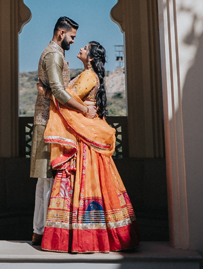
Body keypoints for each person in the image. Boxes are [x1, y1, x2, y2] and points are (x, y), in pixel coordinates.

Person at [41, 41, 139, 253]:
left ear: (92, 58)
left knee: (83, 182)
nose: (81, 49)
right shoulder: (88, 75)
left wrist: (47, 93)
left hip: (84, 140)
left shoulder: (88, 76)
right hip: (86, 133)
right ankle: (98, 235)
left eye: (85, 48)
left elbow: (68, 99)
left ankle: (84, 238)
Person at [30, 17, 96, 246]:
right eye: (72, 36)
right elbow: (58, 90)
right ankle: (43, 231)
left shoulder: (58, 54)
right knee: (47, 180)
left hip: (55, 122)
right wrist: (83, 110)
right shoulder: (54, 54)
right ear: (61, 32)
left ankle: (42, 231)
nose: (73, 41)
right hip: (48, 123)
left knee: (48, 181)